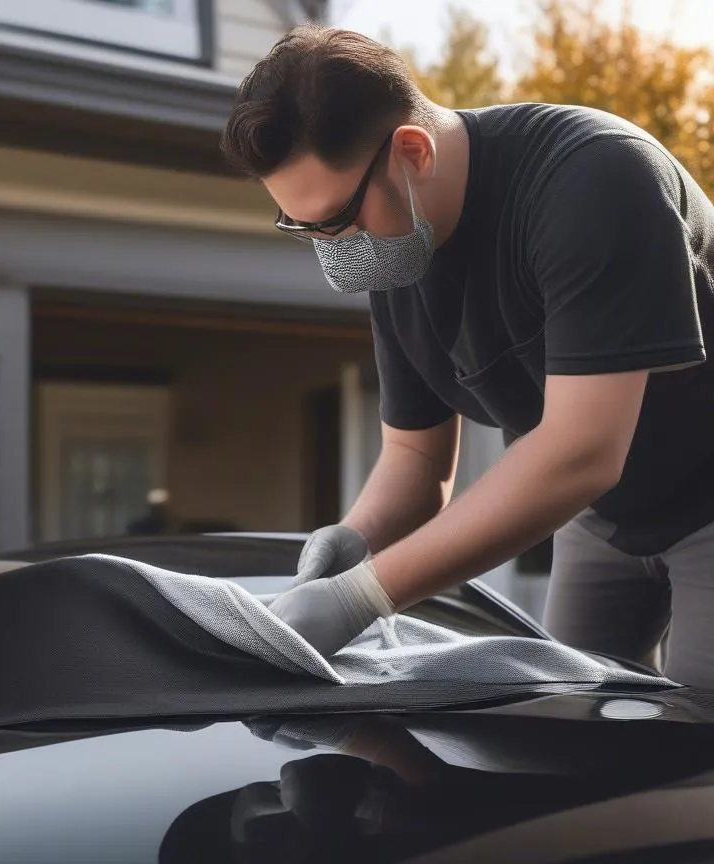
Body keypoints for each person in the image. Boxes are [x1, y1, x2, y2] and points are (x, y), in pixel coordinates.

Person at [219, 25, 714, 686]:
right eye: (303, 228)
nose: (332, 253)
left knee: (697, 751)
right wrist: (355, 541)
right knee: (568, 724)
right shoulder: (400, 250)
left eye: (337, 220)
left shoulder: (597, 179)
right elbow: (418, 461)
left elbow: (583, 452)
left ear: (413, 152)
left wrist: (363, 596)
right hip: (600, 521)